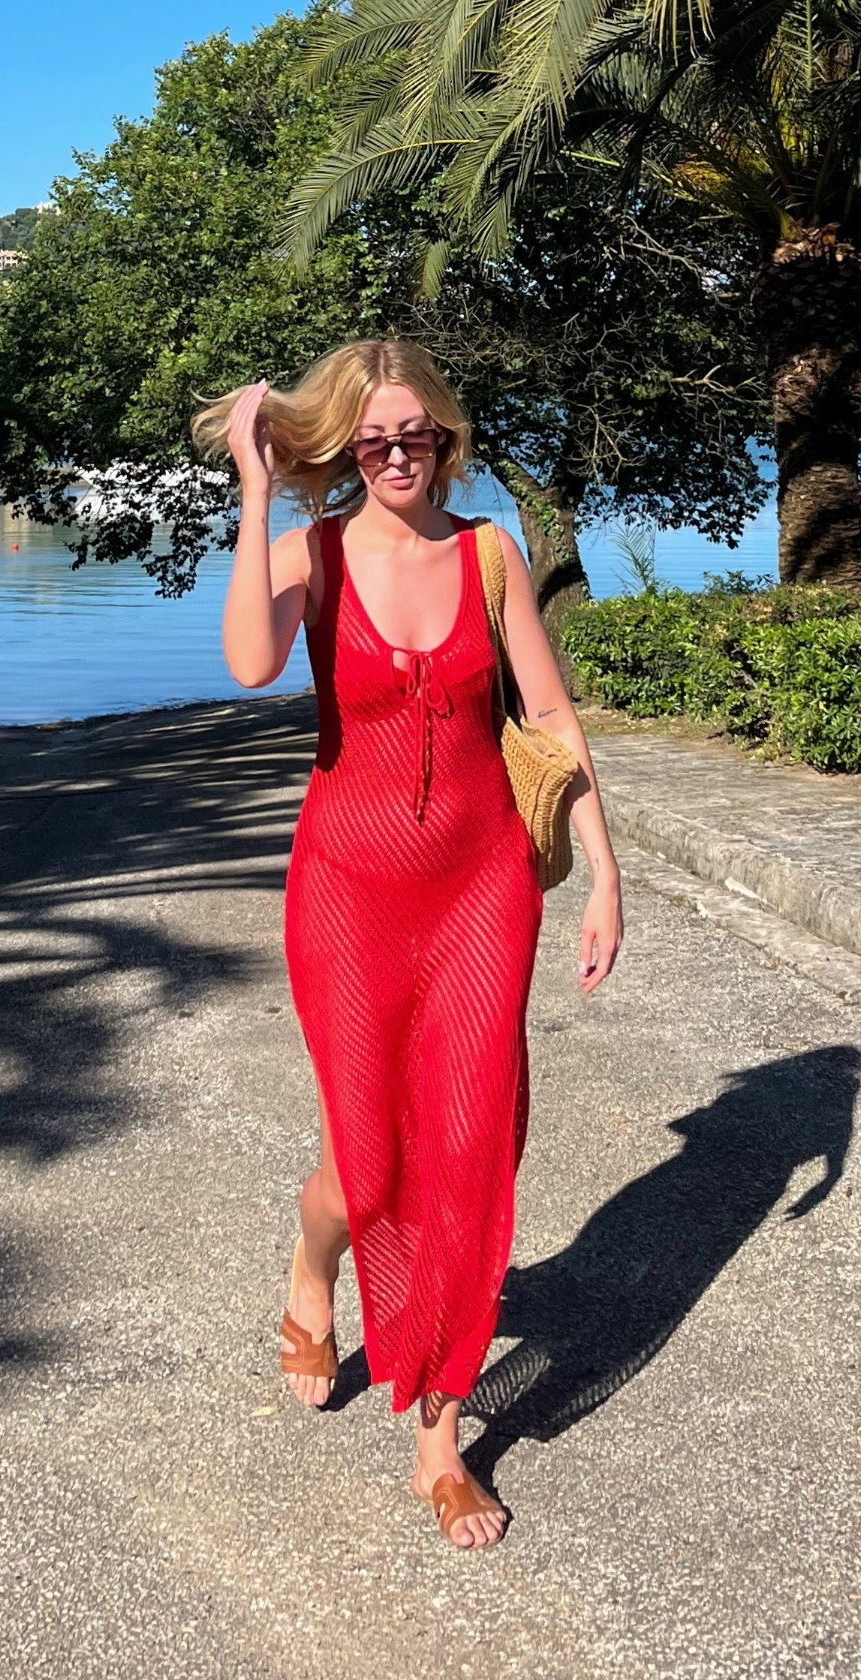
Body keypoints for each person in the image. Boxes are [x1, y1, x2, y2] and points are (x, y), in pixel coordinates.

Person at [194, 339, 623, 1549]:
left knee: (470, 1144)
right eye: (373, 439)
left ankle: (439, 1438)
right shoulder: (312, 554)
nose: (395, 454)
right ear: (344, 444)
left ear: (445, 439)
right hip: (348, 890)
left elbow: (547, 712)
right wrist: (256, 488)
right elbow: (246, 661)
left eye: (415, 436)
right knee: (367, 1161)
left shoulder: (489, 551)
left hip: (485, 885)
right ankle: (313, 1263)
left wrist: (604, 873)